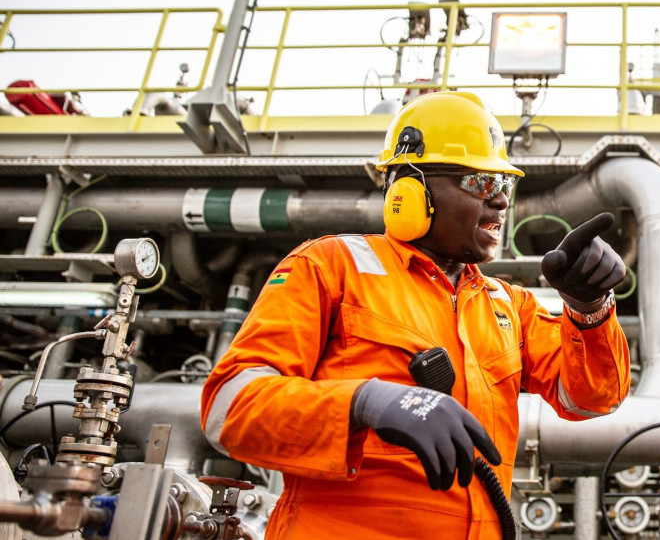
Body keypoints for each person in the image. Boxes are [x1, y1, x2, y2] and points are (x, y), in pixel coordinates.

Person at [201, 91, 630, 539]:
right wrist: (364, 403)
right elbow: (229, 410)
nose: (501, 202)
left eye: (503, 185)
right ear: (409, 189)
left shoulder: (508, 305)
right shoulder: (331, 266)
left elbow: (592, 399)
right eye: (480, 183)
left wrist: (589, 309)